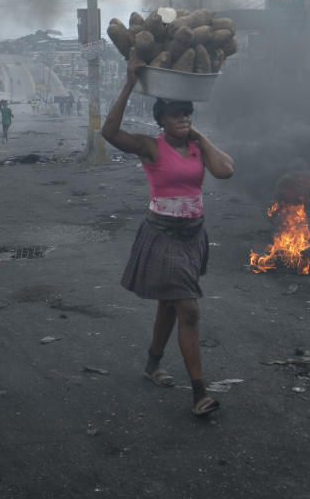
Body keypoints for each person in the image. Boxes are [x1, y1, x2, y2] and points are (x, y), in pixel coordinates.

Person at [101, 55, 235, 417]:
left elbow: (225, 170)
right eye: (176, 114)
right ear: (161, 119)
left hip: (193, 236)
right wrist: (129, 84)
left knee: (169, 304)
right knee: (187, 309)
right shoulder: (151, 147)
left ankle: (151, 364)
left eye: (188, 113)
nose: (184, 118)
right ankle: (199, 393)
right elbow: (109, 133)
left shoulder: (195, 148)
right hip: (163, 236)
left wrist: (200, 136)